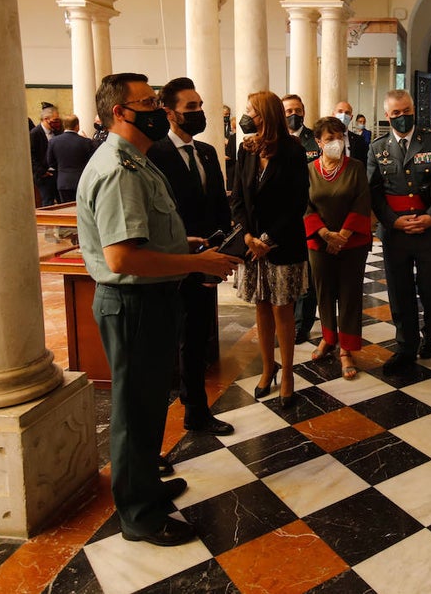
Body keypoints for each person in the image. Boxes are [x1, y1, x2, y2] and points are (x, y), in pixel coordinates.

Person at [75, 72, 240, 546]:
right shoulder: (117, 169)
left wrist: (179, 242)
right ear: (120, 113)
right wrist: (195, 261)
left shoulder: (138, 161)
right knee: (133, 411)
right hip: (133, 302)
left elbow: (142, 235)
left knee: (149, 407)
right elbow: (122, 257)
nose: (158, 109)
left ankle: (147, 485)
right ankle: (139, 514)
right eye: (147, 102)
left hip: (151, 299)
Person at [145, 77, 234, 434]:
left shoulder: (208, 152)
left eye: (200, 106)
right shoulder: (153, 154)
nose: (199, 113)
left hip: (204, 260)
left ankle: (197, 410)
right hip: (168, 262)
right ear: (169, 113)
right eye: (191, 108)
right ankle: (156, 431)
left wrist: (225, 249)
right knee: (167, 345)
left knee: (198, 339)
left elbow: (218, 207)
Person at [368, 89, 431, 373]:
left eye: (406, 111)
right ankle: (405, 346)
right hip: (395, 233)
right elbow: (372, 192)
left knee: (430, 288)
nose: (402, 117)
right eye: (396, 113)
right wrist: (392, 221)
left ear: (413, 111)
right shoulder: (377, 148)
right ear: (387, 116)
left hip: (427, 231)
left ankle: (430, 335)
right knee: (399, 291)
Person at [233, 91, 310, 406]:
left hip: (282, 243)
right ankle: (268, 369)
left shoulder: (292, 150)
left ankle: (288, 373)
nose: (247, 114)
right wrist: (248, 237)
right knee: (261, 306)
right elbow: (237, 195)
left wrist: (268, 238)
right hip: (252, 247)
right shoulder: (246, 149)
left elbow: (297, 202)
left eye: (251, 109)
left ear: (265, 114)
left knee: (282, 309)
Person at [304, 117, 373, 381]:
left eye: (339, 137)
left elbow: (362, 200)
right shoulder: (308, 170)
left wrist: (342, 235)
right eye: (329, 138)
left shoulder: (355, 167)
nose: (335, 142)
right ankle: (328, 338)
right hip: (319, 242)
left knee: (349, 294)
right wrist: (324, 234)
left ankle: (346, 349)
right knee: (323, 291)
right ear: (318, 142)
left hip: (351, 242)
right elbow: (305, 205)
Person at [283, 93, 320, 345]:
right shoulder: (275, 140)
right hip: (283, 219)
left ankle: (302, 325)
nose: (293, 114)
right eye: (288, 111)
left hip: (310, 214)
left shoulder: (314, 141)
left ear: (304, 112)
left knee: (308, 275)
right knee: (286, 273)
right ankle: (285, 321)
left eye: (297, 110)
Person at [46, 114, 95, 203]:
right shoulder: (86, 142)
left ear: (64, 125)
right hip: (81, 181)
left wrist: (62, 168)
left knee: (66, 211)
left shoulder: (53, 141)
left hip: (63, 181)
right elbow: (92, 161)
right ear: (77, 126)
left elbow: (50, 162)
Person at [30, 103, 62, 206]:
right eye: (55, 120)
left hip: (57, 174)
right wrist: (42, 172)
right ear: (46, 119)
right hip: (43, 176)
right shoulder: (35, 133)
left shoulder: (57, 132)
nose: (57, 123)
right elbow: (31, 156)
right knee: (47, 202)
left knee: (62, 202)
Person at [332, 100, 369, 165]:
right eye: (340, 111)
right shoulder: (325, 139)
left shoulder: (360, 140)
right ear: (333, 114)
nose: (343, 115)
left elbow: (363, 165)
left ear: (351, 117)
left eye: (347, 113)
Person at [223, 104, 237, 190]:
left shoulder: (233, 134)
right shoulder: (216, 126)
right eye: (224, 115)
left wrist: (227, 141)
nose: (226, 117)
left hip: (231, 160)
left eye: (228, 114)